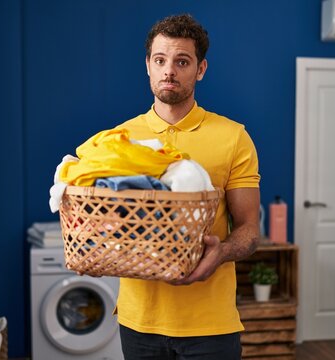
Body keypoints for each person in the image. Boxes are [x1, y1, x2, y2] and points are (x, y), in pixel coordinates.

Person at [113, 14, 261, 360]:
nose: (169, 71)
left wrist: (221, 252)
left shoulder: (233, 137)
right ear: (148, 65)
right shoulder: (121, 139)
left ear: (200, 69)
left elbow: (249, 230)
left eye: (182, 61)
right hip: (140, 320)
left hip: (210, 323)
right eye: (160, 60)